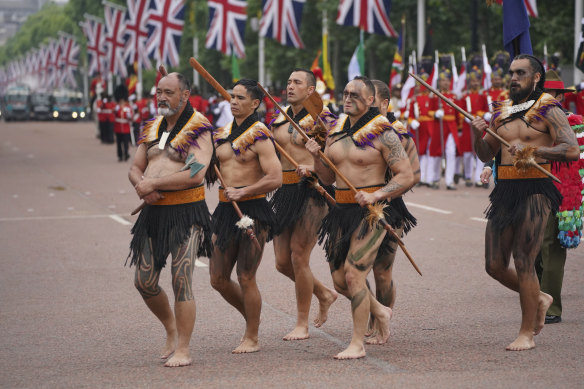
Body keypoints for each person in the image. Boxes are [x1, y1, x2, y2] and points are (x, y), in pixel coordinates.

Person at [471, 54, 579, 351]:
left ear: (535, 78)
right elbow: (484, 154)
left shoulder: (549, 109)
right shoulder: (500, 113)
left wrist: (532, 149)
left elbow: (571, 149)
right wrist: (475, 131)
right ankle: (540, 297)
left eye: (521, 73)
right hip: (504, 190)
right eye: (511, 73)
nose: (514, 77)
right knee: (493, 265)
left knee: (523, 260)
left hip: (535, 189)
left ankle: (526, 332)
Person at [305, 76, 414, 359]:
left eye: (355, 94)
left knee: (355, 275)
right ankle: (379, 310)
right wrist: (317, 159)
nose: (348, 97)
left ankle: (357, 343)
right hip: (340, 212)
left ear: (370, 100)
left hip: (372, 213)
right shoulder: (336, 130)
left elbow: (406, 175)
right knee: (340, 280)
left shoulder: (385, 132)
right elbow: (328, 177)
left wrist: (377, 196)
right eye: (346, 92)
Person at [127, 72, 214, 367]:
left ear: (184, 95)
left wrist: (154, 185)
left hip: (186, 214)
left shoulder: (199, 128)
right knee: (144, 281)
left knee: (181, 280)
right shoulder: (154, 127)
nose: (161, 97)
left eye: (168, 92)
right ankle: (171, 327)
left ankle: (184, 349)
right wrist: (141, 184)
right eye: (158, 92)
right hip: (153, 213)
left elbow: (197, 172)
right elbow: (136, 167)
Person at [210, 78, 282, 354]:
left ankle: (252, 336)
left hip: (253, 210)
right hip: (224, 210)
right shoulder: (222, 133)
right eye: (232, 96)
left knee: (246, 276)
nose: (234, 101)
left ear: (255, 104)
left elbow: (275, 178)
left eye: (240, 98)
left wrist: (245, 192)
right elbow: (206, 167)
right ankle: (254, 317)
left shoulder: (260, 134)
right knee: (217, 278)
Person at [269, 68, 338, 340]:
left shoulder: (325, 118)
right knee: (282, 263)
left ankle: (302, 324)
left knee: (299, 257)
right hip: (284, 191)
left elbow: (335, 156)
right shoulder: (279, 116)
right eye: (288, 82)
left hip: (312, 190)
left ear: (311, 90)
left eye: (297, 82)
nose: (290, 86)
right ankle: (324, 293)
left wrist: (313, 165)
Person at [368, 79, 419, 336]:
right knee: (350, 269)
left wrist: (386, 190)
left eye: (370, 97)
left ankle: (380, 321)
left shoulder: (397, 132)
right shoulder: (355, 129)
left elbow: (414, 174)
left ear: (384, 103)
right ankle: (373, 310)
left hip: (389, 208)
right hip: (357, 206)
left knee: (381, 270)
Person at [535, 70, 584, 324]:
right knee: (532, 250)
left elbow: (579, 159)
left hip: (560, 191)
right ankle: (540, 298)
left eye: (549, 93)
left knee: (551, 247)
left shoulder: (574, 122)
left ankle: (551, 307)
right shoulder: (528, 119)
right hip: (531, 189)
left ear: (558, 96)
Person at [459, 56, 490, 188]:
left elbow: (486, 109)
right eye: (473, 81)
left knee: (479, 152)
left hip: (480, 125)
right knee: (467, 153)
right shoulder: (465, 96)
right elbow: (460, 110)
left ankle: (479, 177)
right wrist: (465, 117)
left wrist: (485, 115)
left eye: (477, 80)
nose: (475, 83)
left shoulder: (483, 95)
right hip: (468, 126)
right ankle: (467, 176)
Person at [429, 62, 461, 190]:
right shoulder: (434, 95)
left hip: (451, 127)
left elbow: (458, 114)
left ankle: (449, 181)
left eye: (448, 80)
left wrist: (459, 128)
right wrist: (435, 113)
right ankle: (435, 179)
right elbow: (428, 111)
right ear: (439, 82)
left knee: (451, 152)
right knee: (437, 153)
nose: (446, 83)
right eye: (443, 80)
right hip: (439, 126)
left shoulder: (453, 96)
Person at [113, 85, 133, 162]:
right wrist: (115, 111)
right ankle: (120, 155)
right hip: (118, 127)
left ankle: (126, 154)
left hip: (126, 127)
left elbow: (131, 117)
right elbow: (113, 115)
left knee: (125, 143)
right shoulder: (117, 107)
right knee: (119, 143)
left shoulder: (128, 107)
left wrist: (129, 116)